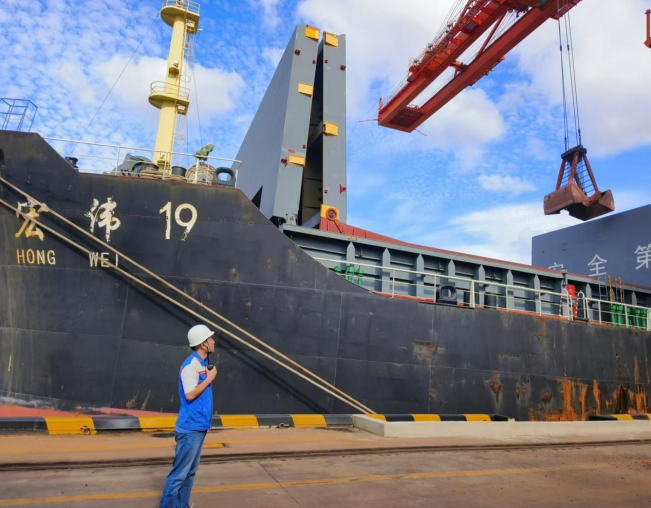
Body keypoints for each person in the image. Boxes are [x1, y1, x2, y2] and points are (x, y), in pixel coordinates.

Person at [160, 324, 217, 508]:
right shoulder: (190, 365)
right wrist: (209, 378)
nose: (213, 341)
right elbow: (190, 394)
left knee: (190, 472)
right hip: (190, 428)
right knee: (178, 475)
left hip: (199, 426)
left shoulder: (202, 364)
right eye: (210, 339)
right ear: (203, 344)